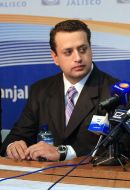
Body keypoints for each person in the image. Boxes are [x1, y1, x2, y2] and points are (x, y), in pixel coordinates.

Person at [0, 19, 121, 162]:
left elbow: (118, 146)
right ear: (55, 57)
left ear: (90, 49)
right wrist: (14, 145)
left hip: (92, 179)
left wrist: (64, 152)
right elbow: (18, 135)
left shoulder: (115, 92)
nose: (78, 58)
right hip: (45, 179)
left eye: (83, 49)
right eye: (68, 52)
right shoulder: (40, 90)